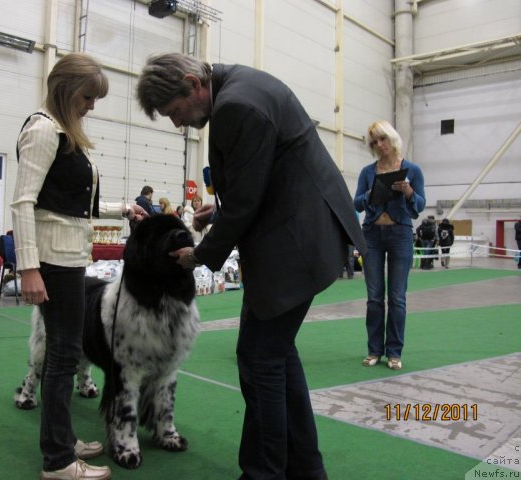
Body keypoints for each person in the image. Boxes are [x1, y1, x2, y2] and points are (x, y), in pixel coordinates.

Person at [137, 53, 366, 480]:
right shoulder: (237, 89)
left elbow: (247, 203)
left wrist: (198, 256)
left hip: (296, 245)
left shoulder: (236, 105)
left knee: (260, 361)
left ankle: (264, 473)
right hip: (299, 237)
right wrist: (218, 213)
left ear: (192, 85)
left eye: (174, 112)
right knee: (274, 357)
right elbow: (257, 182)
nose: (177, 123)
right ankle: (305, 469)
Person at [11, 52, 146, 480]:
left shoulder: (62, 133)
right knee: (63, 356)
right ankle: (58, 461)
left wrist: (124, 208)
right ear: (68, 91)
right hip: (53, 261)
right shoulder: (43, 131)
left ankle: (63, 442)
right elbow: (23, 202)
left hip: (67, 257)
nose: (92, 106)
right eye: (88, 97)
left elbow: (74, 206)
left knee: (63, 355)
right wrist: (28, 267)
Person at [354, 120, 426, 371]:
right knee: (374, 298)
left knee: (397, 298)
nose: (379, 145)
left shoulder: (413, 170)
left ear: (392, 138)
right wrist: (373, 193)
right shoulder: (367, 172)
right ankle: (374, 350)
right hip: (372, 234)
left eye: (382, 138)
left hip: (401, 235)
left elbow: (420, 204)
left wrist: (407, 191)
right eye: (374, 142)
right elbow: (357, 204)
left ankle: (394, 353)